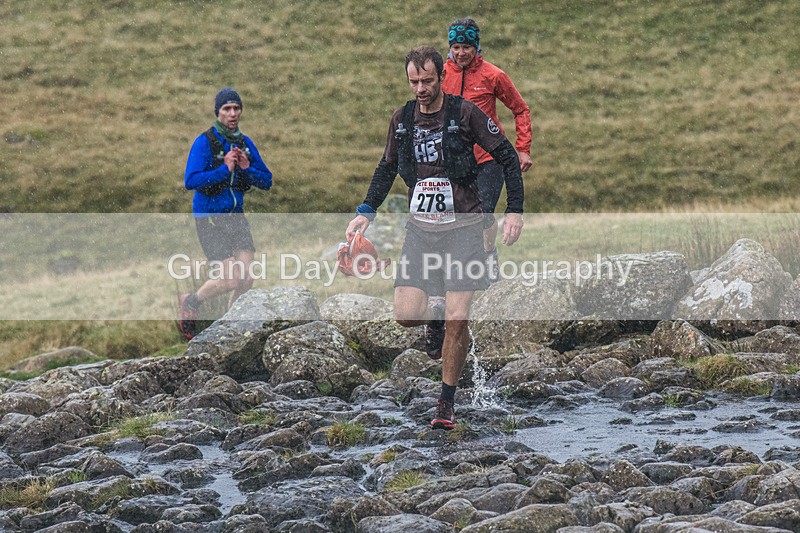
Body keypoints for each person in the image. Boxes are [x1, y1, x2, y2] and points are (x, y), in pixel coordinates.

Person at [346, 46, 523, 430]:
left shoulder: (464, 113)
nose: (421, 88)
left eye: (427, 80)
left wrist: (514, 211)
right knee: (406, 314)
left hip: (464, 228)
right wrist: (366, 211)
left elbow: (507, 157)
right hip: (421, 231)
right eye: (414, 82)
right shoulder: (402, 119)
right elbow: (387, 166)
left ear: (441, 76)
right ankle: (435, 316)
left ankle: (445, 403)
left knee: (460, 317)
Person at [178, 87, 273, 340]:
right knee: (231, 279)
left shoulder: (245, 143)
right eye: (227, 109)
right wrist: (225, 168)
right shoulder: (205, 142)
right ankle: (191, 301)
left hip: (235, 216)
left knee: (246, 279)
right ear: (217, 113)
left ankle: (231, 329)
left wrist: (245, 168)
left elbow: (267, 180)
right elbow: (191, 180)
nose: (233, 114)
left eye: (236, 108)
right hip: (209, 218)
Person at [443, 18, 530, 278]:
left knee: (481, 214)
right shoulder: (441, 74)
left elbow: (520, 109)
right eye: (456, 47)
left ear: (476, 46)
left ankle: (487, 258)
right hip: (455, 160)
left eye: (466, 47)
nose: (461, 53)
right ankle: (463, 268)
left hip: (489, 158)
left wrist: (522, 148)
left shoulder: (493, 75)